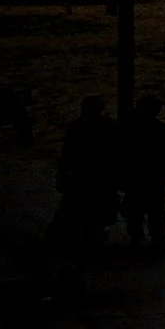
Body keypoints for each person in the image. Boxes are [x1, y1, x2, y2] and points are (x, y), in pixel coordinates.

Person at [50, 96, 120, 250]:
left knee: (77, 207)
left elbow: (67, 153)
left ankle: (77, 238)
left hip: (84, 175)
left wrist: (62, 174)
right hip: (99, 175)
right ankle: (89, 237)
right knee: (94, 208)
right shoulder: (108, 126)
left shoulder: (77, 127)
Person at [119, 95, 165, 251]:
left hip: (138, 172)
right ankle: (156, 236)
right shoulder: (160, 128)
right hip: (153, 172)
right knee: (154, 206)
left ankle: (139, 235)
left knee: (137, 205)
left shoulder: (130, 127)